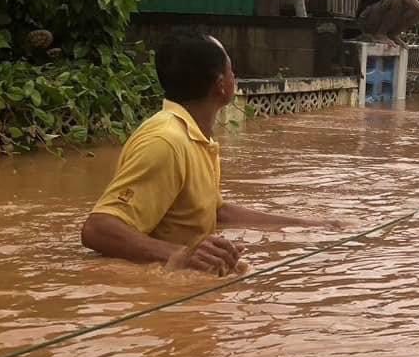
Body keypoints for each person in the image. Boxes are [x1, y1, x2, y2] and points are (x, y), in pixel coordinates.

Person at [81, 31, 336, 276]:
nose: (234, 75)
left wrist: (306, 226)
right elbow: (98, 229)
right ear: (221, 85)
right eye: (230, 69)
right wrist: (180, 255)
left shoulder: (195, 136)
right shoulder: (166, 142)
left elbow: (215, 211)